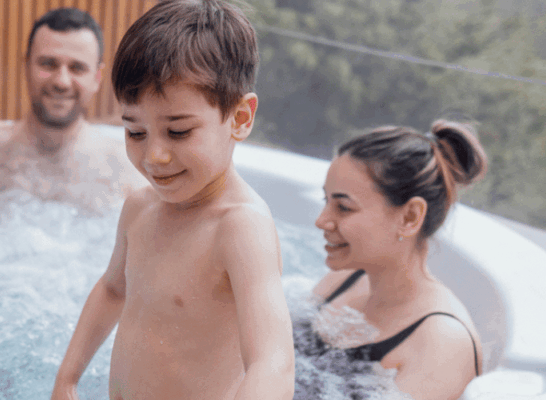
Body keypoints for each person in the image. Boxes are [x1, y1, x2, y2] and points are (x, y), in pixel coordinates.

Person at [51, 1, 295, 399]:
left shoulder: (240, 227)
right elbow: (113, 290)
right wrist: (68, 378)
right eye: (135, 132)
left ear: (239, 118)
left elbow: (272, 361)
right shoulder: (139, 207)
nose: (154, 157)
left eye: (178, 132)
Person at [309, 120, 487, 399]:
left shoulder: (442, 344)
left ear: (409, 217)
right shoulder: (344, 280)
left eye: (343, 207)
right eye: (326, 201)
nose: (322, 220)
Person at [0, 8, 146, 212]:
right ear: (26, 66)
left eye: (77, 68)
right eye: (48, 64)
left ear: (97, 78)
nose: (61, 82)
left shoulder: (126, 170)